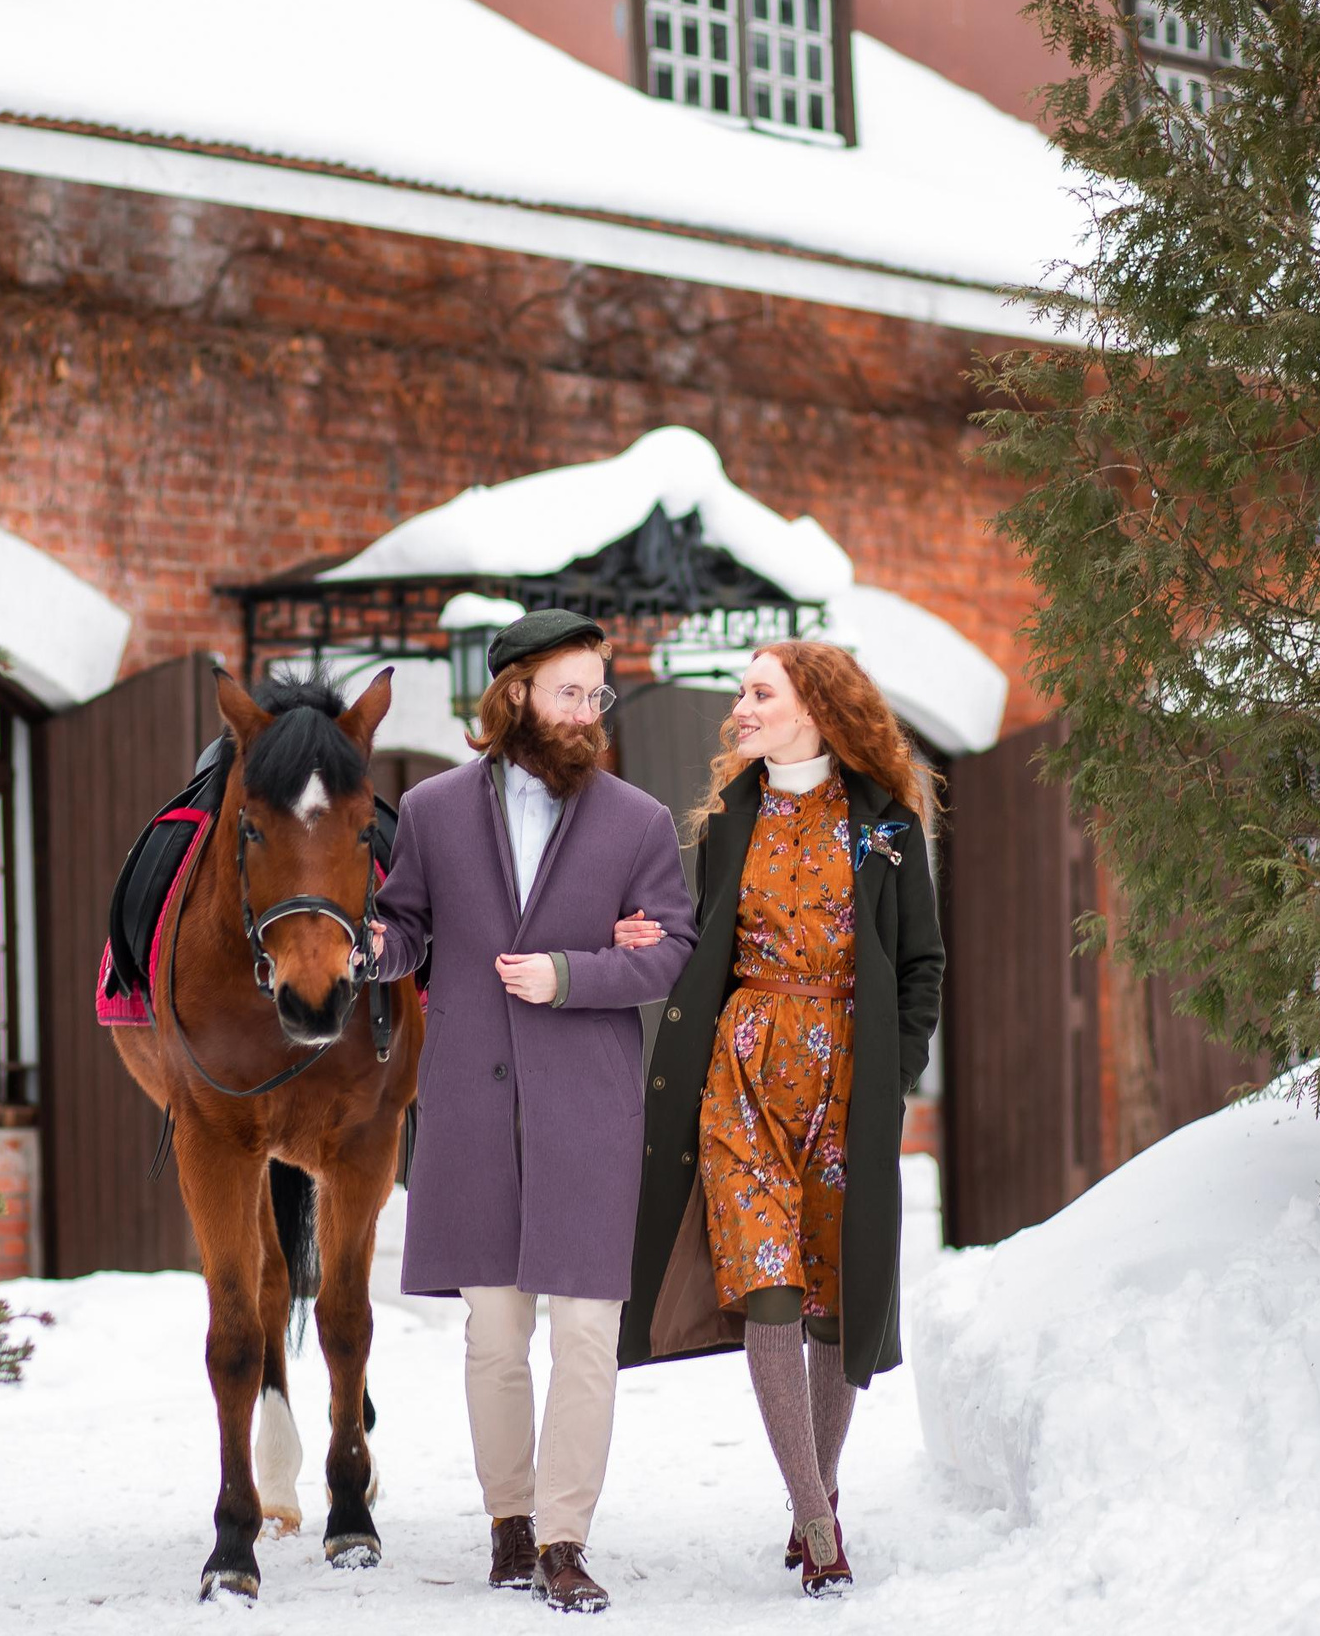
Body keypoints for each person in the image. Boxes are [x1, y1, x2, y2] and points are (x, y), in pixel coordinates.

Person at [369, 609, 696, 1614]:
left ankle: (564, 1538)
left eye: (598, 693)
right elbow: (408, 929)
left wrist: (571, 974)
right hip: (471, 1107)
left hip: (588, 1110)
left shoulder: (637, 820)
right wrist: (357, 948)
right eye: (570, 691)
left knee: (588, 1334)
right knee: (493, 1337)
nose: (589, 710)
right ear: (514, 693)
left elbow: (671, 948)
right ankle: (507, 1521)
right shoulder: (426, 810)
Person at [618, 641, 945, 1597]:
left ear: (818, 707)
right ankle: (816, 1519)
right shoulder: (730, 818)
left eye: (761, 693)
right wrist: (645, 935)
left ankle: (821, 1487)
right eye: (742, 694)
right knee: (766, 1288)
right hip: (744, 1074)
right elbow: (697, 935)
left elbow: (920, 964)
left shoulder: (885, 826)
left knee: (833, 1304)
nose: (741, 710)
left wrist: (899, 1070)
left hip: (850, 1078)